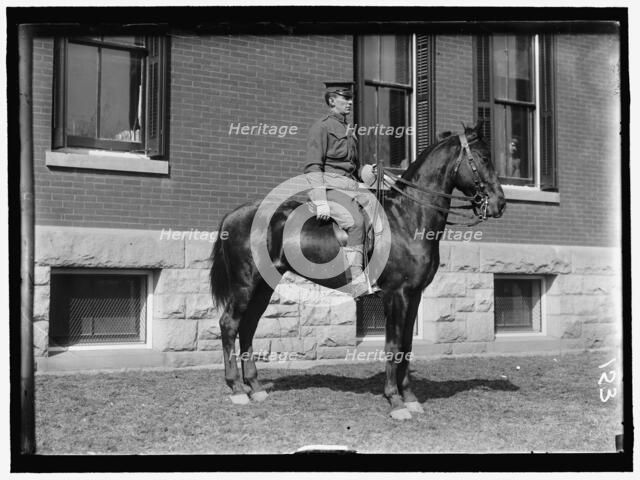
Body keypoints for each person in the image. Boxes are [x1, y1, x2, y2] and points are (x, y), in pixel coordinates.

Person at [304, 82, 378, 298]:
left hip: (351, 187)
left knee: (381, 217)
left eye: (350, 98)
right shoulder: (321, 127)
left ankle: (374, 272)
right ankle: (356, 280)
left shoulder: (349, 130)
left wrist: (371, 171)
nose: (350, 102)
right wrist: (320, 200)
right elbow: (313, 165)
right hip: (331, 188)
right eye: (345, 98)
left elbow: (355, 167)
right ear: (331, 100)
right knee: (356, 223)